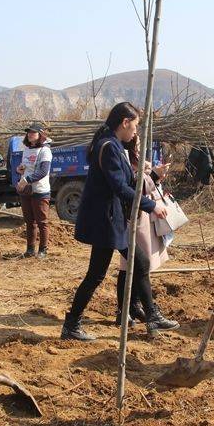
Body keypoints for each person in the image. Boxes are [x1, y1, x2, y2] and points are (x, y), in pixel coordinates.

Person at [61, 102, 179, 341]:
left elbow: (126, 181)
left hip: (109, 218)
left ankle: (74, 324)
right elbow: (121, 187)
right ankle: (149, 314)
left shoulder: (112, 145)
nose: (136, 132)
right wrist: (152, 205)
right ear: (124, 123)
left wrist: (152, 175)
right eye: (134, 126)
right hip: (106, 220)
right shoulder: (109, 147)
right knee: (114, 270)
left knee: (121, 268)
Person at [115, 137, 172, 327]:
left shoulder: (134, 158)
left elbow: (142, 185)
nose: (138, 145)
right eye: (136, 143)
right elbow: (133, 187)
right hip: (133, 217)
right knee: (133, 264)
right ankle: (128, 311)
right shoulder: (123, 158)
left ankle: (132, 307)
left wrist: (154, 176)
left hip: (142, 214)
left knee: (137, 264)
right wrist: (152, 175)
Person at [16, 122, 53, 259]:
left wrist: (26, 180)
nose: (30, 134)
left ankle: (43, 250)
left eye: (33, 132)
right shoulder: (26, 149)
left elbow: (43, 171)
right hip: (26, 190)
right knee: (29, 221)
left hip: (39, 190)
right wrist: (19, 169)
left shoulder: (45, 151)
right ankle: (30, 250)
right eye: (29, 132)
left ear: (40, 135)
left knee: (42, 222)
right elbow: (25, 167)